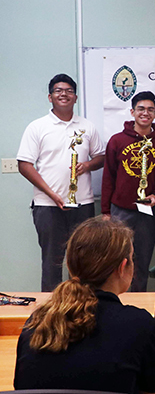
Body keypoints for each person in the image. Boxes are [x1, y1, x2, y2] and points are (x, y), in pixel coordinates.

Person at [14, 217, 155, 394]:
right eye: (132, 258)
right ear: (122, 267)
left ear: (70, 266)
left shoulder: (36, 324)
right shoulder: (140, 325)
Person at [17, 74, 105, 292]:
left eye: (68, 91)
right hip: (48, 206)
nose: (63, 94)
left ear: (75, 97)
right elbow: (24, 165)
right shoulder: (37, 127)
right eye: (58, 90)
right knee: (52, 263)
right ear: (50, 97)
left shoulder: (87, 127)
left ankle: (81, 310)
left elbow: (101, 157)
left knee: (84, 262)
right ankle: (51, 313)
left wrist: (87, 166)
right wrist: (51, 193)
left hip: (82, 205)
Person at [101, 91, 155, 292]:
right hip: (120, 211)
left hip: (147, 213)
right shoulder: (117, 141)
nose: (145, 113)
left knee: (142, 259)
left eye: (150, 109)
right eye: (141, 109)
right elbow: (108, 177)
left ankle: (138, 301)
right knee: (117, 259)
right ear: (132, 112)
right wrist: (106, 212)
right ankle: (116, 301)